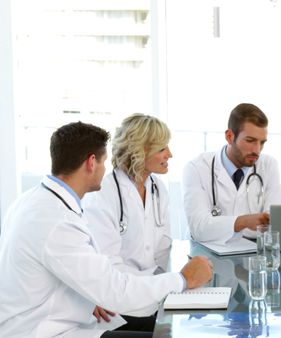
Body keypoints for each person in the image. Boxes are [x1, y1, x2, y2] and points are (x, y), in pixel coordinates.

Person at [0, 121, 213, 338]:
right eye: (103, 162)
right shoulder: (57, 220)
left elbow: (71, 271)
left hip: (55, 319)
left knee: (171, 329)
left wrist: (92, 296)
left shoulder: (34, 201)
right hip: (45, 331)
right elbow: (115, 290)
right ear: (91, 162)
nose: (106, 169)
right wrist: (183, 278)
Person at [83, 114, 174, 325]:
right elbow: (109, 267)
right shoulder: (104, 193)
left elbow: (162, 251)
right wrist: (162, 284)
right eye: (162, 148)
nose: (170, 154)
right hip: (118, 307)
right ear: (139, 151)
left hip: (153, 298)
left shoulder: (158, 189)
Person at [183, 103, 281, 243]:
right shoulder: (196, 168)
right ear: (230, 136)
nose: (257, 150)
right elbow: (199, 227)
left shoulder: (268, 165)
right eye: (250, 141)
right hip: (206, 253)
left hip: (252, 251)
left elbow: (275, 219)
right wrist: (242, 222)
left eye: (262, 142)